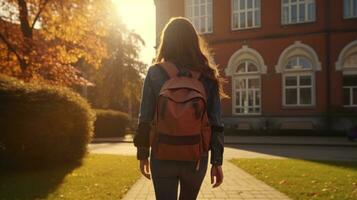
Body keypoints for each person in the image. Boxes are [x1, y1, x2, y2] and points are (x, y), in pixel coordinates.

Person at [133, 17, 225, 200]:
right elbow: (216, 123)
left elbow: (145, 117)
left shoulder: (155, 72)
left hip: (163, 152)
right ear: (193, 41)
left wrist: (143, 154)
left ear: (165, 41)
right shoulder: (207, 75)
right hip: (196, 156)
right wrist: (217, 162)